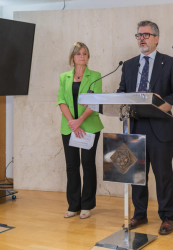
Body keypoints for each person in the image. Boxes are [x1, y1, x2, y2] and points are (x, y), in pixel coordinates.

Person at [117, 20, 173, 235]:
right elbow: (121, 92)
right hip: (135, 126)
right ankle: (139, 214)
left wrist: (161, 105)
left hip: (161, 128)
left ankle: (167, 217)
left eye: (146, 35)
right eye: (138, 35)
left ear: (156, 38)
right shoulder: (128, 65)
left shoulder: (170, 63)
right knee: (136, 175)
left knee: (163, 175)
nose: (142, 39)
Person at [57, 42, 104, 219]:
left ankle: (87, 205)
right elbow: (61, 100)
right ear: (73, 57)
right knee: (71, 166)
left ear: (88, 56)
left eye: (85, 53)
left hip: (89, 126)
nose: (82, 56)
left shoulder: (96, 76)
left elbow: (95, 101)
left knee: (88, 164)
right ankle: (73, 205)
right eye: (78, 54)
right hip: (68, 128)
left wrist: (80, 121)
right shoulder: (64, 77)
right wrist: (72, 122)